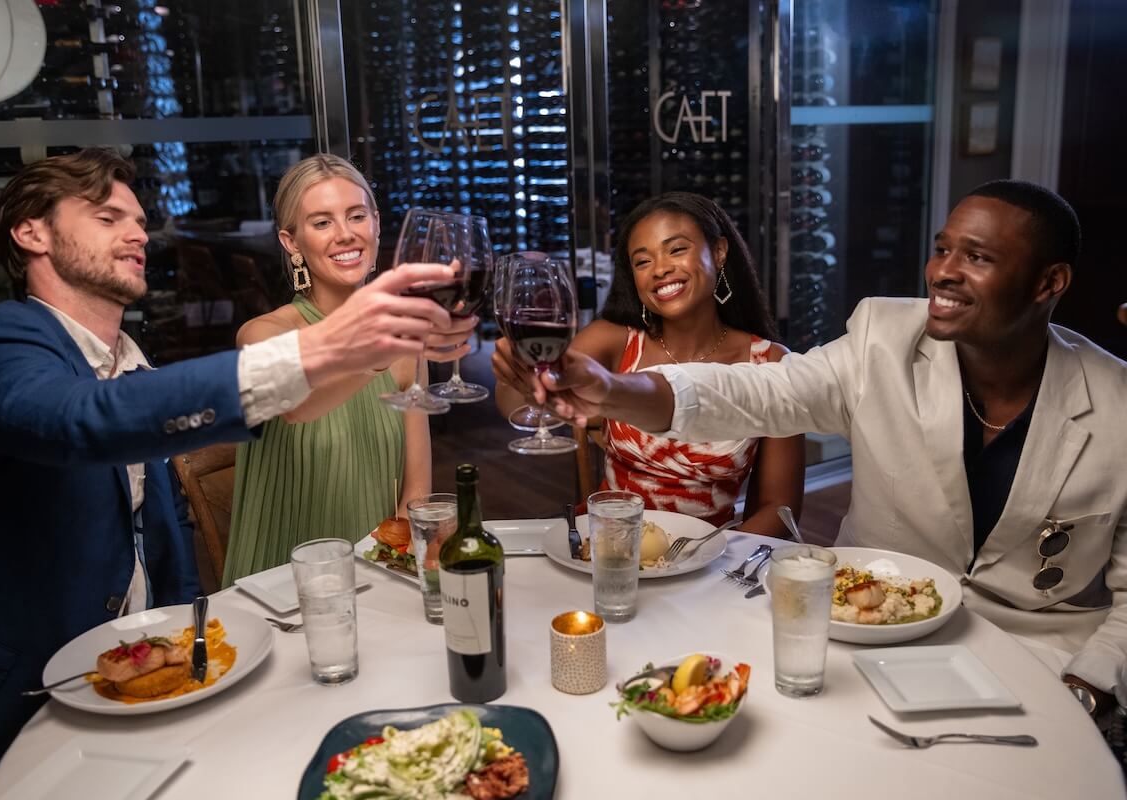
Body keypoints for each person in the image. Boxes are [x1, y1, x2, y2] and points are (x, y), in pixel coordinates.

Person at [0, 148, 475, 797]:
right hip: (5, 712)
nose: (137, 233)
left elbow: (162, 548)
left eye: (138, 219)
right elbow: (82, 422)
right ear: (31, 233)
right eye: (108, 217)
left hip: (138, 695)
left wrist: (192, 658)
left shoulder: (133, 367)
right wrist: (334, 346)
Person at [521, 179, 1127, 718]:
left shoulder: (1117, 403)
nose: (943, 271)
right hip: (869, 631)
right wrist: (613, 389)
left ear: (1051, 283)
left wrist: (1084, 689)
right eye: (942, 249)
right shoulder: (881, 338)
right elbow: (756, 392)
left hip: (1044, 663)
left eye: (977, 257)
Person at [494, 192, 804, 534]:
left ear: (718, 252)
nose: (660, 269)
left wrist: (717, 569)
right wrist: (519, 375)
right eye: (642, 261)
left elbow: (780, 507)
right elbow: (515, 408)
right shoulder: (613, 340)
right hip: (608, 545)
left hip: (713, 556)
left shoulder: (770, 362)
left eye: (676, 249)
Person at [222, 155, 430, 582]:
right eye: (321, 223)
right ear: (291, 242)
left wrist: (389, 569)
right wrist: (374, 358)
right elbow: (302, 401)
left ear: (376, 223)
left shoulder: (407, 347)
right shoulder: (262, 335)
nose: (345, 234)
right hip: (282, 583)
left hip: (378, 571)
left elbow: (417, 494)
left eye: (356, 216)